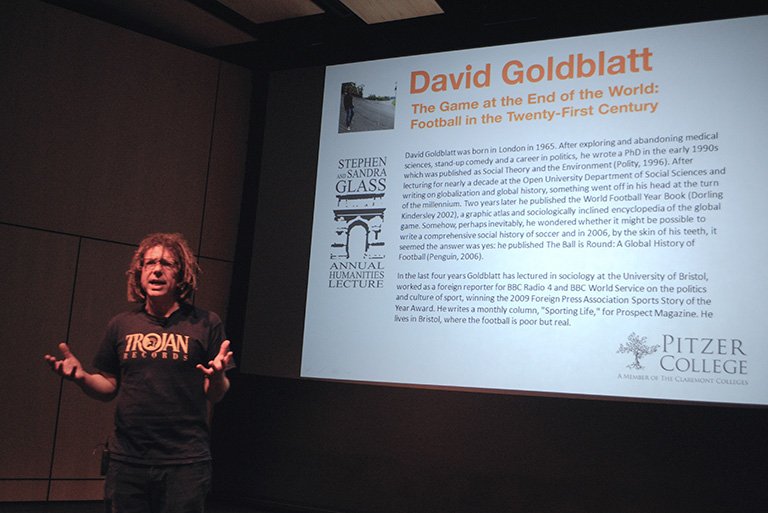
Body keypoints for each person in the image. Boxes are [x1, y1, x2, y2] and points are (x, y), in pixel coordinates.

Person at [44, 232, 234, 513]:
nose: (157, 269)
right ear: (140, 273)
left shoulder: (205, 323)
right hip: (128, 461)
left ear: (180, 275)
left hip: (185, 462)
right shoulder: (121, 325)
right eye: (150, 263)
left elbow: (215, 394)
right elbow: (109, 386)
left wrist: (217, 377)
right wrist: (81, 377)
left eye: (167, 264)